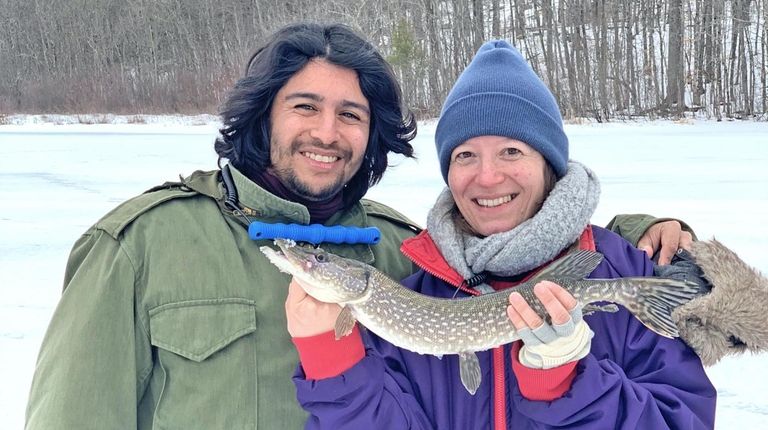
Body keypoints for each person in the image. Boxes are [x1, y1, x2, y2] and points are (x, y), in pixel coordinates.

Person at [24, 23, 696, 429]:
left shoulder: (401, 248)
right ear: (264, 116)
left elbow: (520, 243)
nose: (326, 132)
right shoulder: (141, 243)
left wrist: (644, 232)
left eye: (350, 114)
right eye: (305, 106)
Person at [287, 40, 716, 429]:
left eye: (512, 151)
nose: (487, 177)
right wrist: (332, 360)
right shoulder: (413, 291)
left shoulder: (623, 264)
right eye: (466, 155)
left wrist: (568, 383)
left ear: (549, 164)